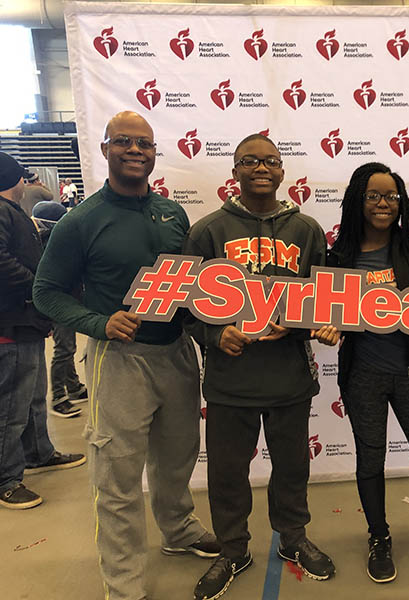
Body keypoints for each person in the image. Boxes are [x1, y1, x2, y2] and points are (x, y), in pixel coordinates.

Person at [33, 111, 219, 600]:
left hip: (177, 354)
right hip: (118, 360)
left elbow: (192, 286)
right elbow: (47, 292)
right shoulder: (80, 221)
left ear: (155, 153)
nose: (136, 150)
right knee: (116, 477)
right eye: (124, 142)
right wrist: (99, 323)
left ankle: (177, 530)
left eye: (145, 143)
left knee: (176, 458)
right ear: (105, 149)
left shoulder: (172, 213)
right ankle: (124, 583)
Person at [184, 133, 338, 599]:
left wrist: (314, 324)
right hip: (231, 379)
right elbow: (185, 301)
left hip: (289, 375)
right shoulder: (207, 230)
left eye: (270, 160)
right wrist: (214, 333)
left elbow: (321, 297)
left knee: (292, 467)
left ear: (282, 171)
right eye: (249, 160)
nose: (261, 167)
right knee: (227, 473)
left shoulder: (306, 229)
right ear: (234, 172)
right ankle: (233, 549)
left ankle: (293, 539)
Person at [328, 162, 409, 585]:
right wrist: (330, 327)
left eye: (391, 196)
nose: (384, 204)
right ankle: (379, 536)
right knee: (370, 460)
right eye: (374, 195)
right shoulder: (340, 254)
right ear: (357, 199)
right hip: (363, 374)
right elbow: (330, 313)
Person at [0, 151, 85, 511]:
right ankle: (6, 478)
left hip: (27, 323)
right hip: (11, 323)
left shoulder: (13, 212)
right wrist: (39, 287)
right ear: (13, 180)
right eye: (23, 178)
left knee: (33, 397)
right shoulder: (2, 211)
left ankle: (38, 452)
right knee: (11, 406)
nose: (27, 184)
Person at [31, 200, 88, 419]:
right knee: (64, 349)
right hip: (61, 303)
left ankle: (73, 388)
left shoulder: (48, 242)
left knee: (68, 346)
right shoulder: (49, 245)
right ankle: (58, 397)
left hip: (68, 301)